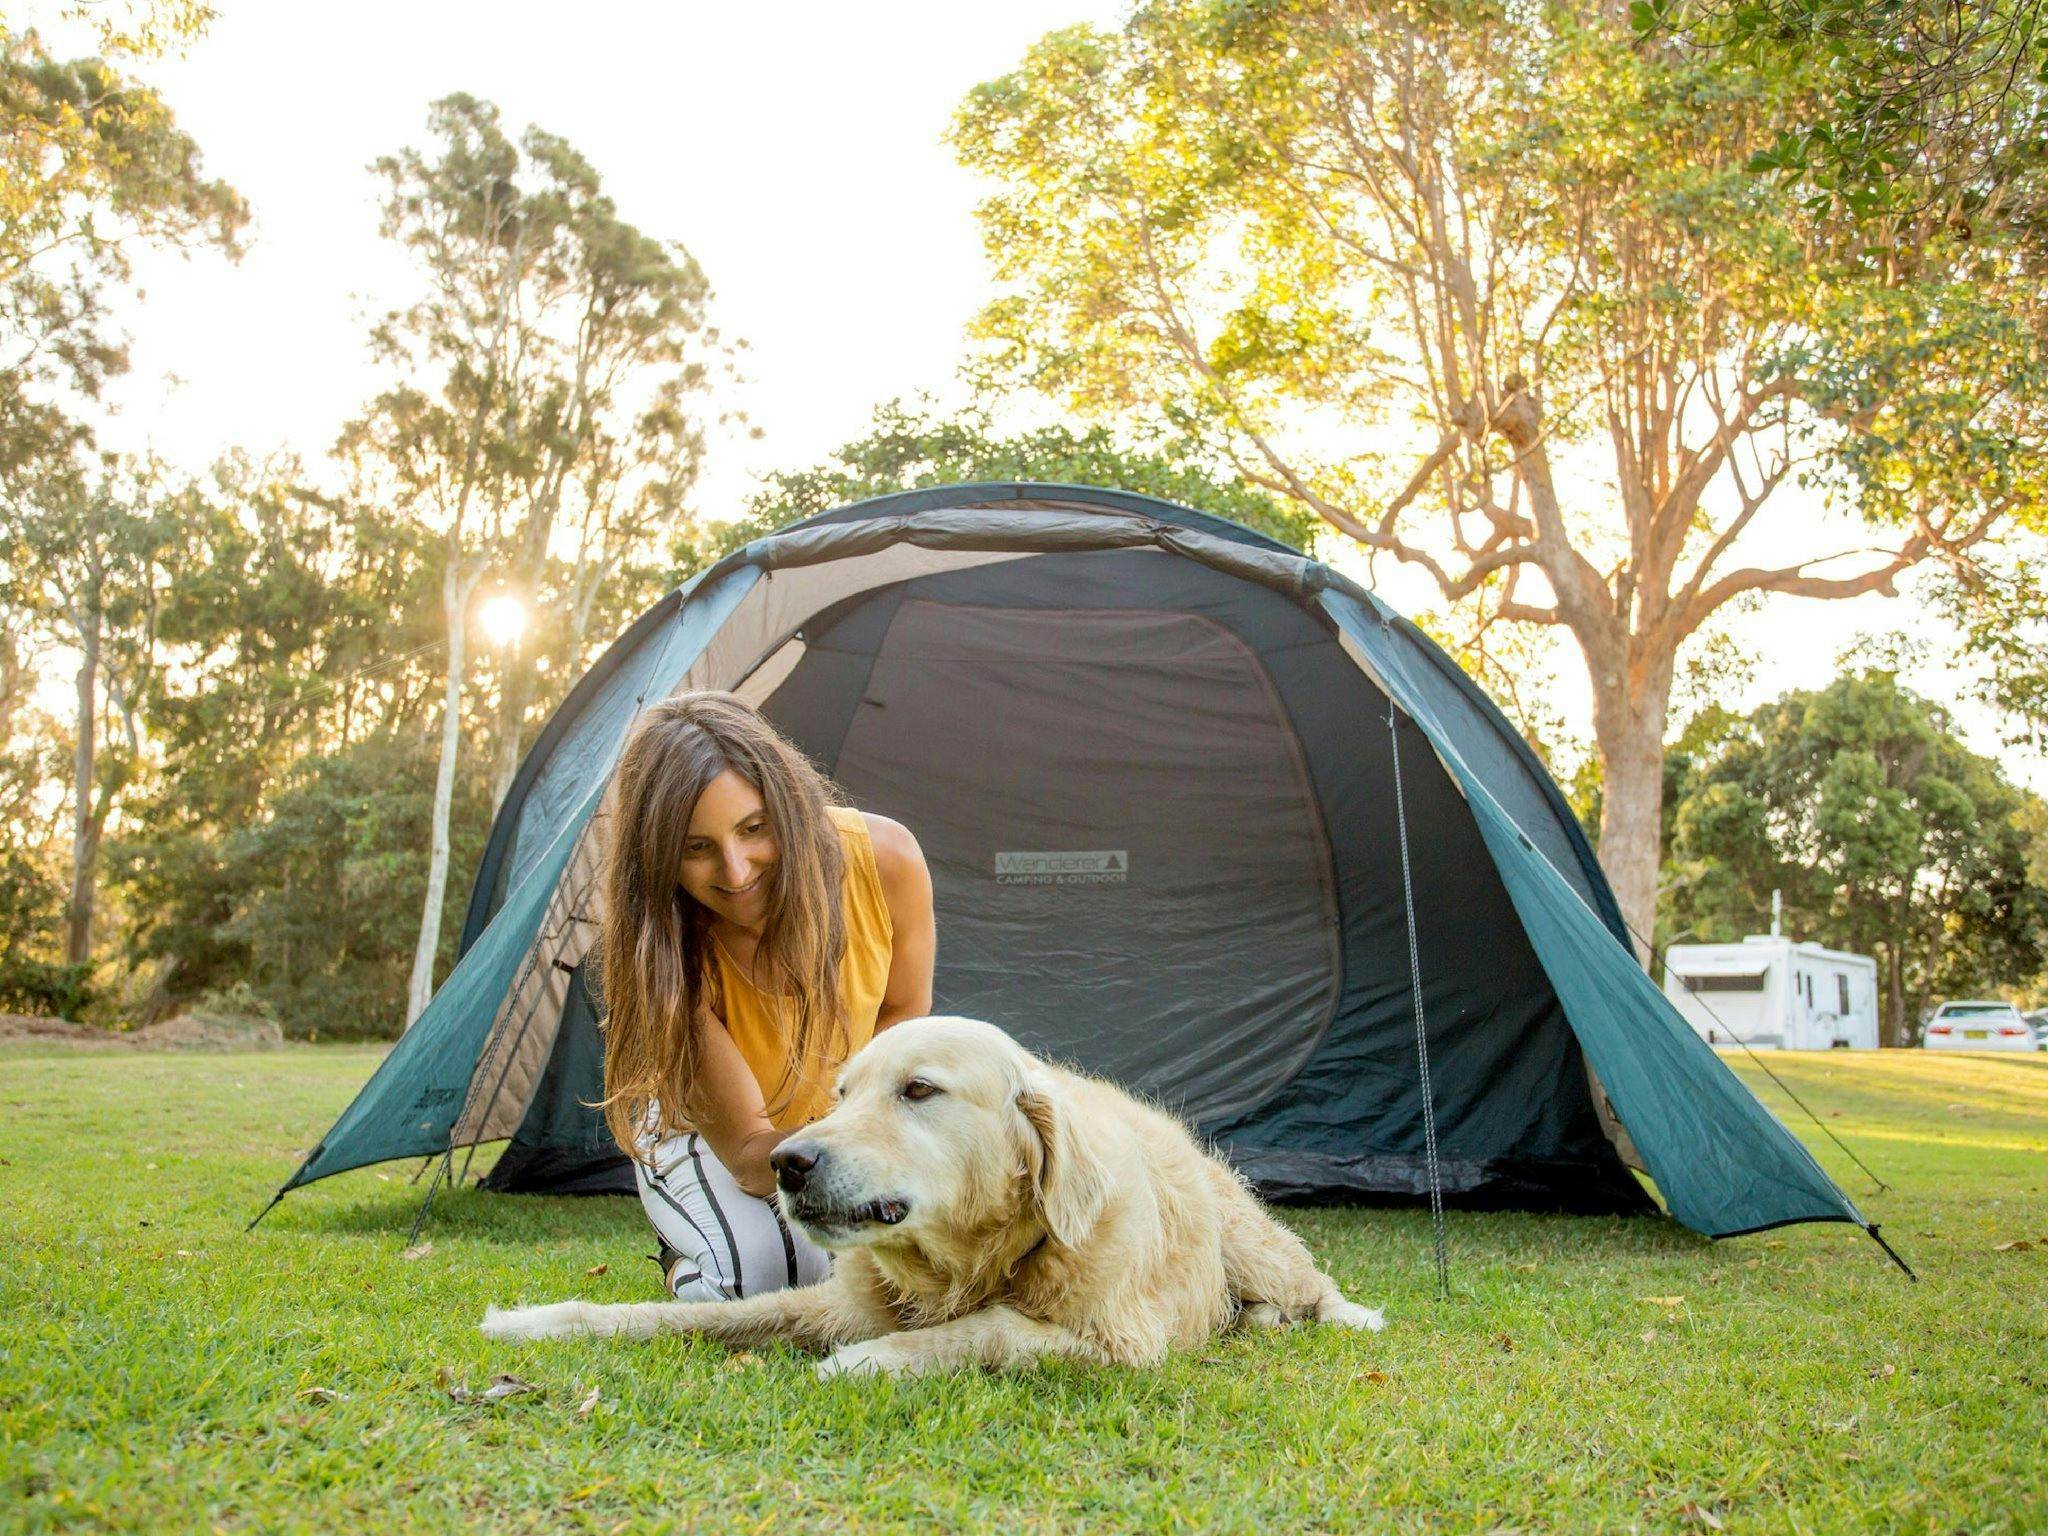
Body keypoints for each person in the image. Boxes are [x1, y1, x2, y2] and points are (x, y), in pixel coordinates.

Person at [594, 691, 934, 1302]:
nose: (736, 870)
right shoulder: (664, 953)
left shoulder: (887, 863)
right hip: (710, 1130)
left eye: (754, 829)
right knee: (759, 1280)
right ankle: (685, 1251)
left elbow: (903, 1009)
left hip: (829, 1121)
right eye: (695, 848)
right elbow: (752, 1156)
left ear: (790, 806)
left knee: (874, 1274)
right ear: (658, 856)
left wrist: (869, 1126)